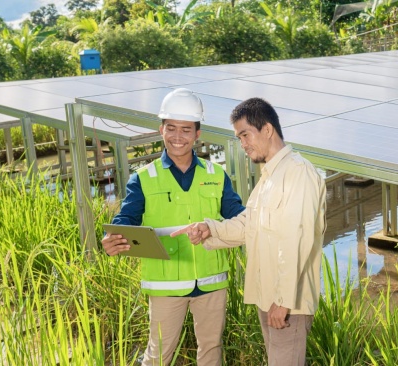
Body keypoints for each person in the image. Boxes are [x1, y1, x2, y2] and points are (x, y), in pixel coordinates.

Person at [172, 97, 327, 366]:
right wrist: (209, 229)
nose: (242, 144)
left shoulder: (297, 173)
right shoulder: (268, 178)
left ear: (267, 130)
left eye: (245, 135)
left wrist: (284, 300)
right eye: (239, 137)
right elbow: (248, 225)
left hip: (286, 302)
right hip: (268, 298)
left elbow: (297, 240)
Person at [101, 88, 245, 366]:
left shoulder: (217, 175)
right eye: (171, 128)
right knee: (157, 356)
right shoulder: (143, 178)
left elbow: (237, 217)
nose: (178, 137)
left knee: (212, 350)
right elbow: (126, 219)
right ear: (161, 129)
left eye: (186, 130)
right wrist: (112, 237)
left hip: (212, 281)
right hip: (165, 286)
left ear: (197, 134)